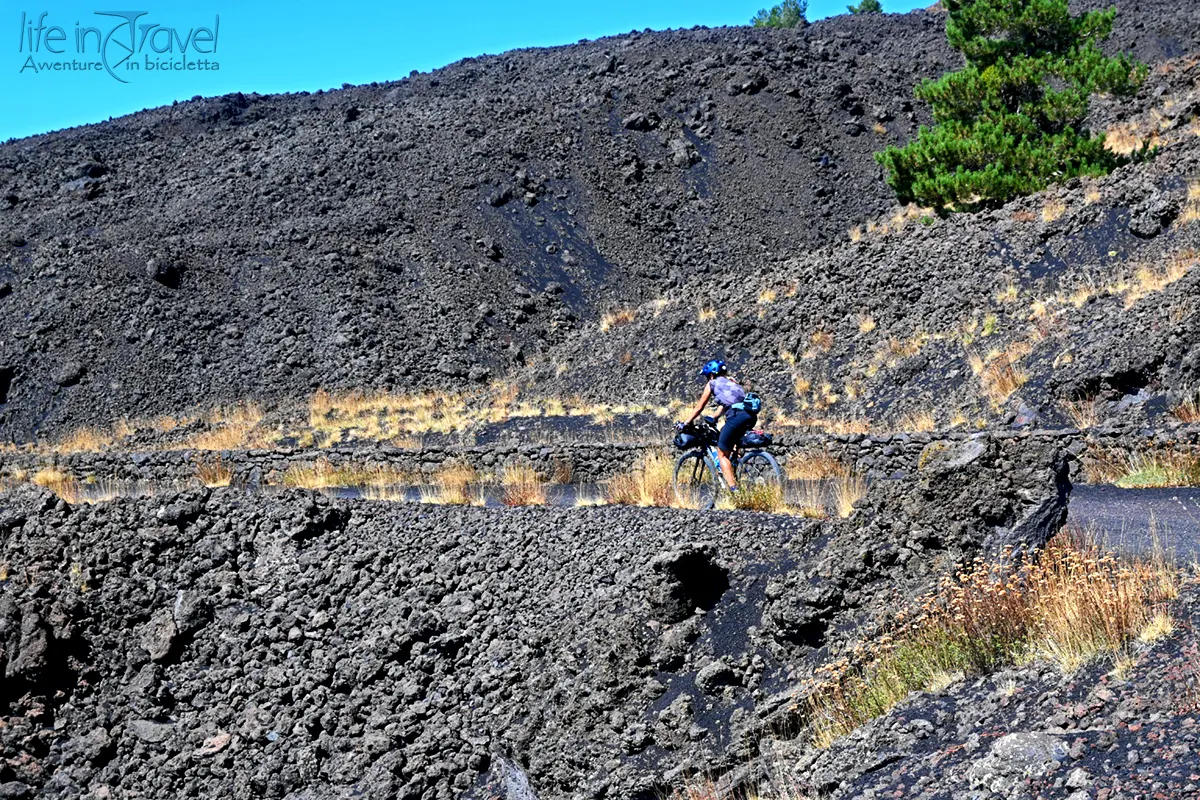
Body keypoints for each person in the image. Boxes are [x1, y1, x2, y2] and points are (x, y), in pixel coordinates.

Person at [678, 359, 757, 493]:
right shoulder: (731, 382)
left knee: (722, 455)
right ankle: (739, 469)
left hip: (736, 416)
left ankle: (734, 491)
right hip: (750, 416)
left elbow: (699, 407)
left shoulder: (712, 383)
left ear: (711, 375)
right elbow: (727, 403)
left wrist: (686, 422)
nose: (707, 379)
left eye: (707, 376)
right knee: (731, 444)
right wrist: (714, 417)